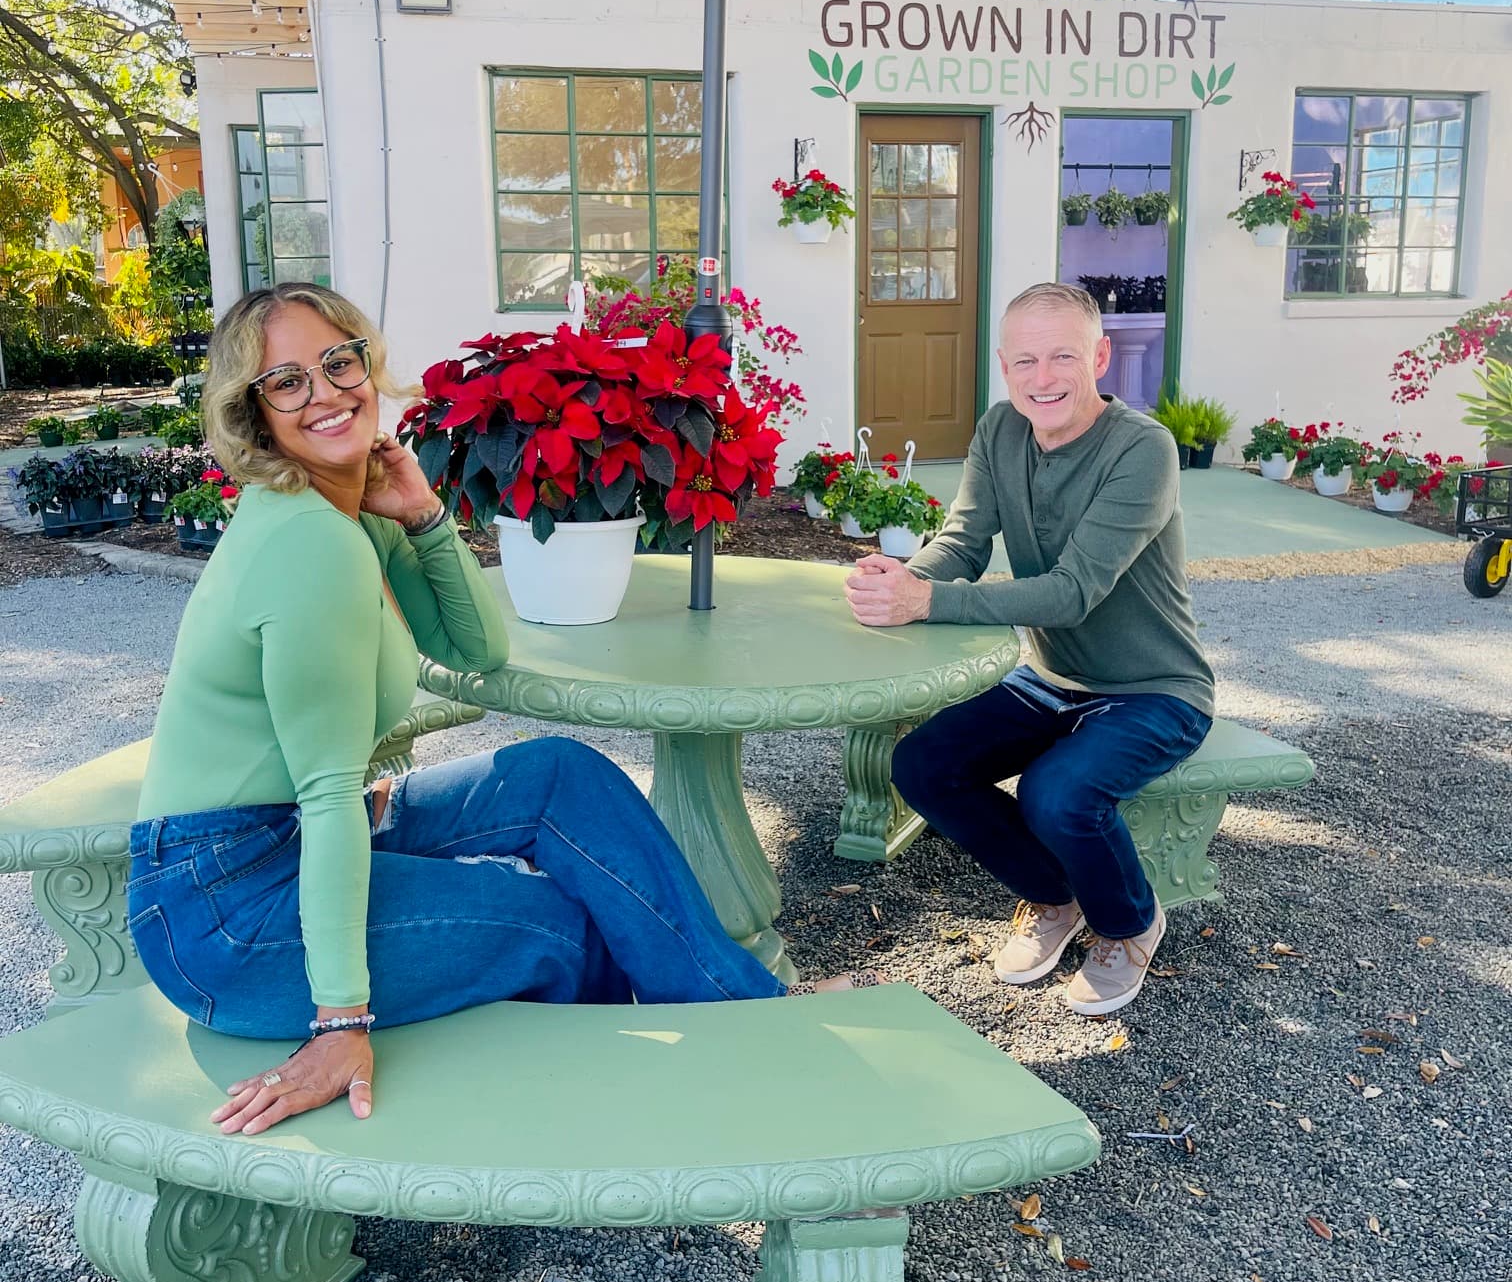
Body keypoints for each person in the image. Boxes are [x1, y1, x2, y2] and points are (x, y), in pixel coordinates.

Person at [130, 283, 836, 1142]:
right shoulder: (307, 544)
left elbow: (476, 650)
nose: (325, 393)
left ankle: (746, 1025)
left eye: (337, 362)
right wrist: (338, 1024)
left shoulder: (347, 513)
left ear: (365, 363)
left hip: (285, 842)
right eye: (287, 382)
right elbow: (323, 796)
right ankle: (660, 1115)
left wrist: (424, 515)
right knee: (559, 929)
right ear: (254, 412)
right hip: (229, 909)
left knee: (558, 776)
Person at [843, 281, 1214, 1017]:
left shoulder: (1144, 449)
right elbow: (964, 542)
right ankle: (1054, 895)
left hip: (1155, 689)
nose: (1043, 379)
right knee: (921, 765)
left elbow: (1073, 590)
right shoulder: (999, 431)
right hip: (1054, 676)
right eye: (1025, 362)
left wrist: (930, 602)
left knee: (1059, 792)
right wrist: (905, 579)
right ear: (1004, 368)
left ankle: (1130, 921)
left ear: (1100, 356)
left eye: (1063, 357)